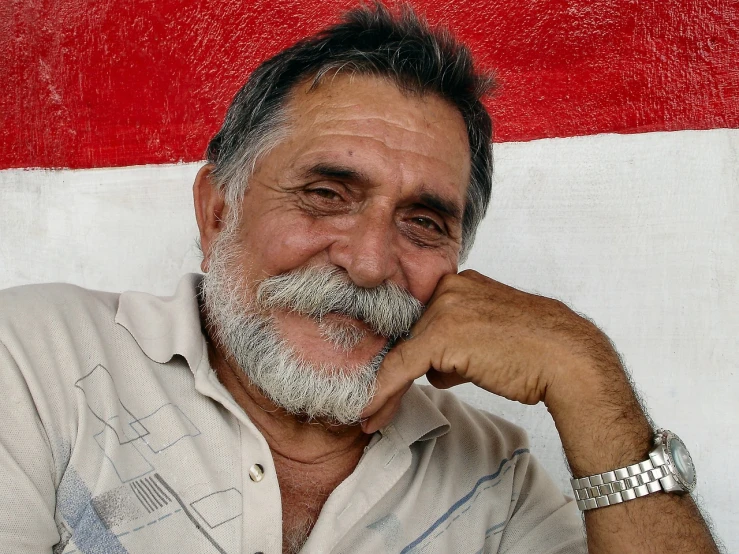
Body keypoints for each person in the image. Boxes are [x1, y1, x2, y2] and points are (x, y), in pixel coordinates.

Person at [0, 3, 720, 554]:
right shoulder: (36, 361)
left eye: (423, 222)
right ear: (218, 211)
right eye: (325, 193)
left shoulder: (495, 479)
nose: (371, 262)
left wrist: (586, 376)